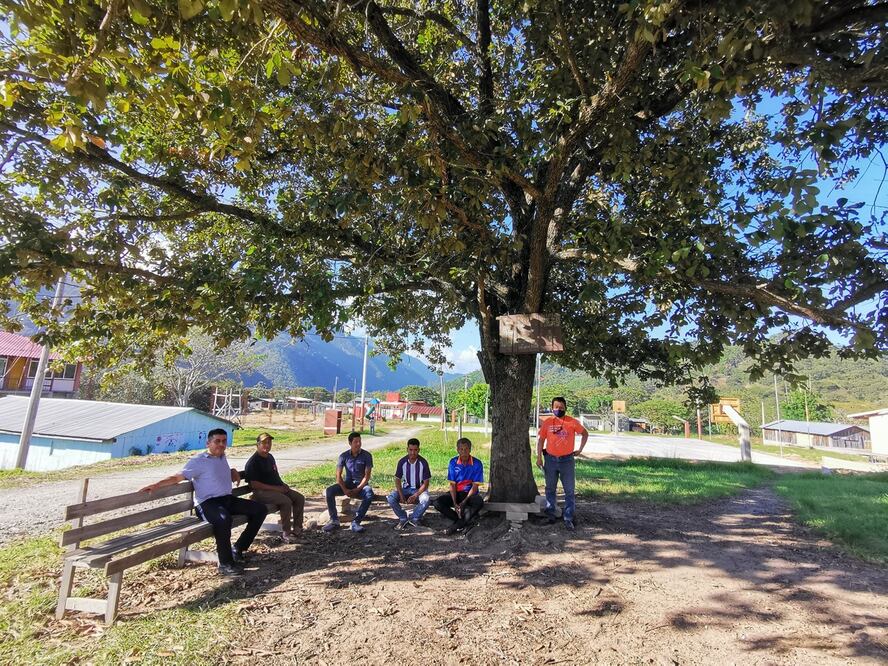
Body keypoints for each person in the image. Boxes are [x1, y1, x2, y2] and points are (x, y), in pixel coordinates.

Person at [140, 428, 267, 577]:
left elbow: (219, 472)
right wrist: (157, 485)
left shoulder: (221, 457)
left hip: (226, 499)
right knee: (223, 520)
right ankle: (226, 564)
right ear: (208, 443)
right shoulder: (198, 461)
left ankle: (238, 548)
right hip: (207, 504)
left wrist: (232, 470)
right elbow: (177, 478)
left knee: (260, 510)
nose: (221, 444)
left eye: (224, 441)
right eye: (217, 441)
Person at [536, 396, 589, 531]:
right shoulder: (547, 423)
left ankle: (568, 518)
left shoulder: (572, 422)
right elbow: (541, 440)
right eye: (556, 407)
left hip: (567, 460)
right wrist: (539, 457)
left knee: (569, 491)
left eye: (561, 407)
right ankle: (550, 515)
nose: (558, 409)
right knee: (550, 489)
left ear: (565, 408)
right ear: (552, 407)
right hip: (550, 460)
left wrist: (580, 449)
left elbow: (585, 434)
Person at [244, 432, 305, 543]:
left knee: (299, 498)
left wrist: (282, 484)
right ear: (257, 445)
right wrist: (277, 489)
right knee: (286, 501)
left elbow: (275, 474)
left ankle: (297, 530)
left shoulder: (270, 457)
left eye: (269, 442)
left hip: (276, 489)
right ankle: (286, 533)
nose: (267, 445)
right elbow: (254, 484)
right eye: (264, 443)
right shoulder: (253, 462)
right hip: (261, 493)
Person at [323, 431, 374, 533]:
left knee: (369, 494)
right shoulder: (344, 456)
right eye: (356, 442)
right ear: (350, 443)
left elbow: (367, 476)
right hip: (348, 484)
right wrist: (345, 489)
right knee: (329, 491)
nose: (358, 444)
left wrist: (358, 489)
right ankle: (334, 520)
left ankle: (356, 522)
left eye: (360, 441)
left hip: (361, 485)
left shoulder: (367, 455)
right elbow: (338, 476)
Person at [434, 437, 484, 535]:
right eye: (461, 449)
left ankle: (455, 526)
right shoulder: (453, 462)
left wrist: (464, 502)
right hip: (456, 493)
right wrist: (454, 502)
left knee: (479, 502)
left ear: (470, 450)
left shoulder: (477, 463)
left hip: (469, 495)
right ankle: (462, 520)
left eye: (466, 449)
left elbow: (475, 487)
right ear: (457, 450)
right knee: (437, 502)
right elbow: (452, 485)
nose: (464, 452)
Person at [386, 437, 431, 530]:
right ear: (407, 449)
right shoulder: (402, 462)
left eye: (415, 450)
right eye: (410, 450)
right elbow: (397, 479)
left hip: (419, 490)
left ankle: (414, 518)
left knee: (426, 499)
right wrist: (401, 494)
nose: (412, 453)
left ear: (419, 450)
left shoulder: (423, 462)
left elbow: (426, 483)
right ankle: (403, 518)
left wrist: (415, 495)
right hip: (406, 489)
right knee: (391, 497)